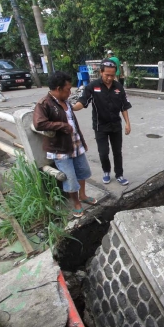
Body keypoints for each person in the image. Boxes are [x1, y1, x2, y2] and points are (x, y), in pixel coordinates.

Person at [33, 71, 97, 218]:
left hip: (75, 144)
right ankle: (76, 203)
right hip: (60, 148)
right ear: (58, 88)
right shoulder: (44, 104)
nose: (69, 92)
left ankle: (83, 195)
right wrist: (62, 126)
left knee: (82, 171)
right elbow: (39, 123)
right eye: (67, 89)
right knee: (70, 178)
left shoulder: (65, 101)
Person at [73, 59, 132, 186]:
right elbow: (82, 102)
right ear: (101, 72)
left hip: (116, 125)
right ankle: (106, 171)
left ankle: (119, 174)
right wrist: (71, 108)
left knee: (117, 152)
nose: (110, 78)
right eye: (107, 75)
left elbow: (124, 106)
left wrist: (127, 123)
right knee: (103, 152)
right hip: (100, 126)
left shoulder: (118, 87)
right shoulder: (92, 86)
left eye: (112, 75)